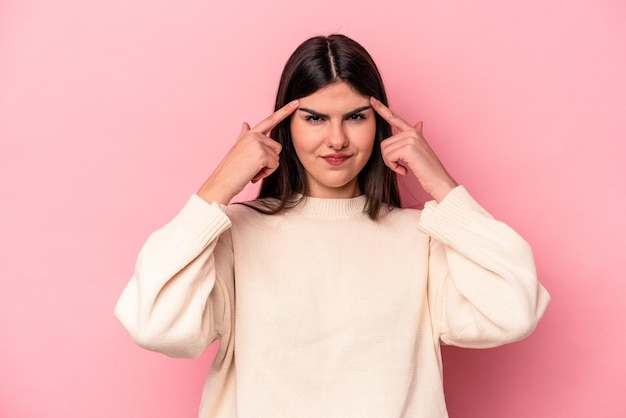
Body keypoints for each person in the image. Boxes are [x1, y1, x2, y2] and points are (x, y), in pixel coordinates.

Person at [114, 34, 550, 417]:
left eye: (356, 116)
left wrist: (443, 186)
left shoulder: (422, 237)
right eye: (315, 118)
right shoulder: (234, 233)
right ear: (286, 127)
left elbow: (512, 311)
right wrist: (217, 189)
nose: (337, 139)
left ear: (381, 124)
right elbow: (153, 324)